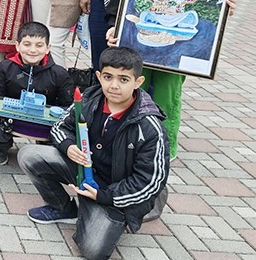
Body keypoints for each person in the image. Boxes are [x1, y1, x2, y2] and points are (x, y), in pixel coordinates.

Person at [104, 0, 237, 159]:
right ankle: (125, 144)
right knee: (131, 92)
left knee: (167, 95)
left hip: (176, 47)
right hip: (140, 40)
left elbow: (211, 6)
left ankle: (162, 148)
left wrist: (225, 9)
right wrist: (114, 25)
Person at [18, 47, 169, 260]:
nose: (114, 85)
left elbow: (150, 181)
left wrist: (103, 196)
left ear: (138, 82)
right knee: (29, 155)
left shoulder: (149, 127)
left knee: (93, 251)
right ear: (99, 77)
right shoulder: (90, 98)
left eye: (124, 79)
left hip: (114, 193)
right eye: (108, 77)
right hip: (85, 172)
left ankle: (107, 214)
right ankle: (64, 208)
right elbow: (60, 126)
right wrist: (69, 146)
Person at [0, 22, 73, 165]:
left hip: (44, 123)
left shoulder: (60, 74)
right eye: (27, 44)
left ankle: (47, 146)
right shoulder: (5, 67)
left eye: (39, 45)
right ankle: (1, 147)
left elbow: (68, 107)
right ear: (17, 46)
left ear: (48, 48)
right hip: (10, 120)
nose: (33, 50)